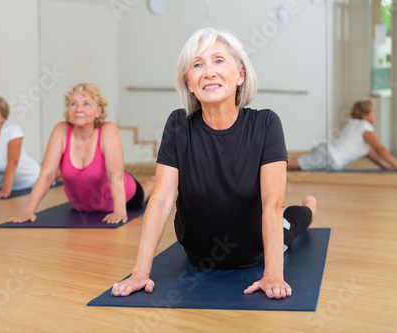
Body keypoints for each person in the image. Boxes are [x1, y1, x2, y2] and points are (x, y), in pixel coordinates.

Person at [110, 27, 317, 300]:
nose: (209, 72)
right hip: (198, 252)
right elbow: (160, 199)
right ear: (188, 82)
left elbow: (272, 203)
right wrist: (139, 272)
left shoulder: (266, 124)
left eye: (219, 60)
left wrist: (273, 275)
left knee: (290, 221)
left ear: (240, 75)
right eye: (198, 64)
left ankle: (310, 208)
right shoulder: (177, 125)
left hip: (254, 248)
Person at [9, 83, 154, 224]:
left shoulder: (108, 130)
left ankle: (154, 180)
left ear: (98, 111)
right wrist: (28, 211)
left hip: (125, 198)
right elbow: (47, 175)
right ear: (68, 110)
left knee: (147, 188)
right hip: (83, 207)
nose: (78, 109)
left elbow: (116, 174)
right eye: (73, 103)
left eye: (86, 104)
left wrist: (120, 211)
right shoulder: (61, 130)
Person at [288, 97, 397, 171]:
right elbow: (380, 149)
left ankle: (273, 162)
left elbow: (371, 154)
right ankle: (272, 164)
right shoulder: (364, 125)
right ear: (365, 115)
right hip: (329, 157)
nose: (375, 114)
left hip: (327, 154)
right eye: (372, 111)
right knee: (293, 164)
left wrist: (385, 168)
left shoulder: (355, 124)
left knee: (295, 163)